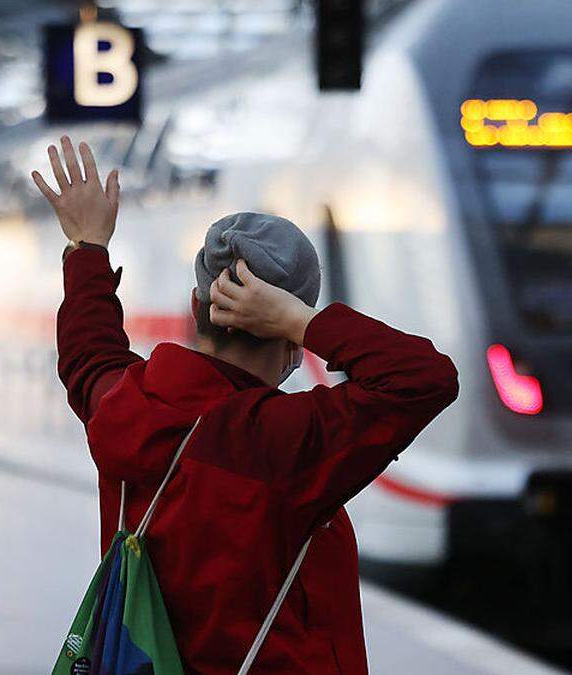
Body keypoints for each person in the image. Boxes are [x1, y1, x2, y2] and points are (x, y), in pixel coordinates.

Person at [33, 137, 458, 673]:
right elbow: (425, 378)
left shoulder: (127, 405)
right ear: (287, 331)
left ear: (195, 306)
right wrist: (302, 320)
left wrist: (88, 245)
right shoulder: (282, 440)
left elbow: (88, 355)